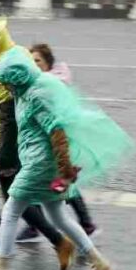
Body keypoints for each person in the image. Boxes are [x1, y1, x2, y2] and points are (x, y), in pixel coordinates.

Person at [0, 46, 134, 270]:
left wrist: (65, 168)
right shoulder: (24, 94)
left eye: (7, 83)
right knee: (58, 217)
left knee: (12, 209)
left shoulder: (36, 94)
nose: (6, 88)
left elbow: (56, 130)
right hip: (43, 164)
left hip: (40, 165)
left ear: (17, 78)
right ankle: (99, 264)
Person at [0, 18, 74, 270]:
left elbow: (5, 116)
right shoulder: (19, 54)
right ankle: (59, 242)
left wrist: (4, 157)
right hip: (12, 145)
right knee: (14, 200)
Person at [13, 43, 98, 243]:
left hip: (54, 143)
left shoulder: (50, 85)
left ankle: (43, 227)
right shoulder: (39, 83)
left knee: (54, 184)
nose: (33, 64)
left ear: (48, 64)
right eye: (31, 61)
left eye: (38, 61)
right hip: (42, 144)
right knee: (54, 185)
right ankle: (82, 224)